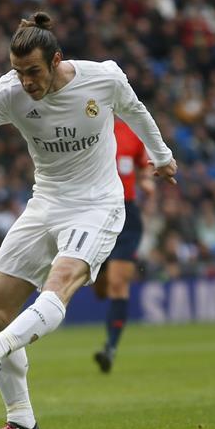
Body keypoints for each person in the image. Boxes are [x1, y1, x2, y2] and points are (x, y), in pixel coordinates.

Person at [0, 13, 177, 429]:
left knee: (58, 284)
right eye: (19, 71)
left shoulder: (103, 78)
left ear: (57, 60)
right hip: (45, 204)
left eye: (33, 72)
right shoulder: (9, 91)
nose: (26, 81)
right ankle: (23, 426)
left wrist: (161, 155)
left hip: (98, 205)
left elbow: (136, 112)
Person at [93, 119, 154, 373]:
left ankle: (110, 348)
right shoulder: (90, 124)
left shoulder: (132, 131)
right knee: (101, 289)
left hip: (127, 213)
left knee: (118, 283)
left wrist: (146, 180)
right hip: (95, 212)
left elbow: (144, 164)